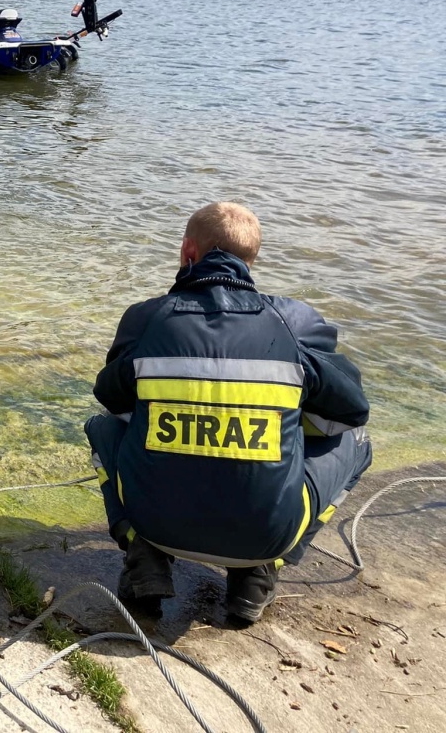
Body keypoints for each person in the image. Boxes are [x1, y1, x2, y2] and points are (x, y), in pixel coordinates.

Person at [84, 202, 371, 624]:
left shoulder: (147, 318)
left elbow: (112, 399)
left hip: (155, 524)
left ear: (188, 251)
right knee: (357, 443)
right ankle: (260, 571)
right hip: (263, 536)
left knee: (102, 428)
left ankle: (143, 553)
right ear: (252, 258)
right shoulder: (295, 323)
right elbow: (352, 412)